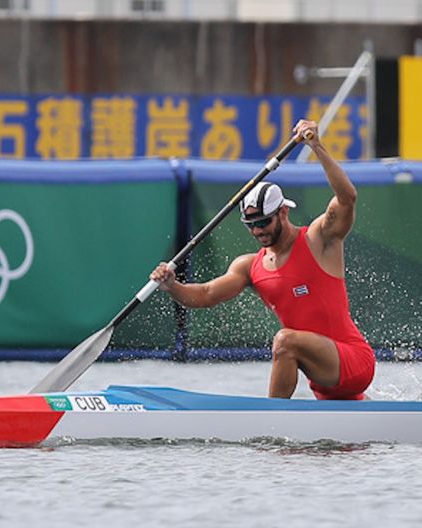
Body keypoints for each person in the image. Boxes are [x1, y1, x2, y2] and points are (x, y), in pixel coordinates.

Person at [150, 119, 375, 400]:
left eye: (264, 222)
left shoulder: (319, 239)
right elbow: (206, 294)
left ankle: (271, 420)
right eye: (251, 224)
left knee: (285, 341)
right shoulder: (249, 266)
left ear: (283, 212)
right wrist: (172, 286)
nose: (258, 231)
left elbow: (347, 198)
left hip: (354, 361)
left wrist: (315, 145)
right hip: (323, 380)